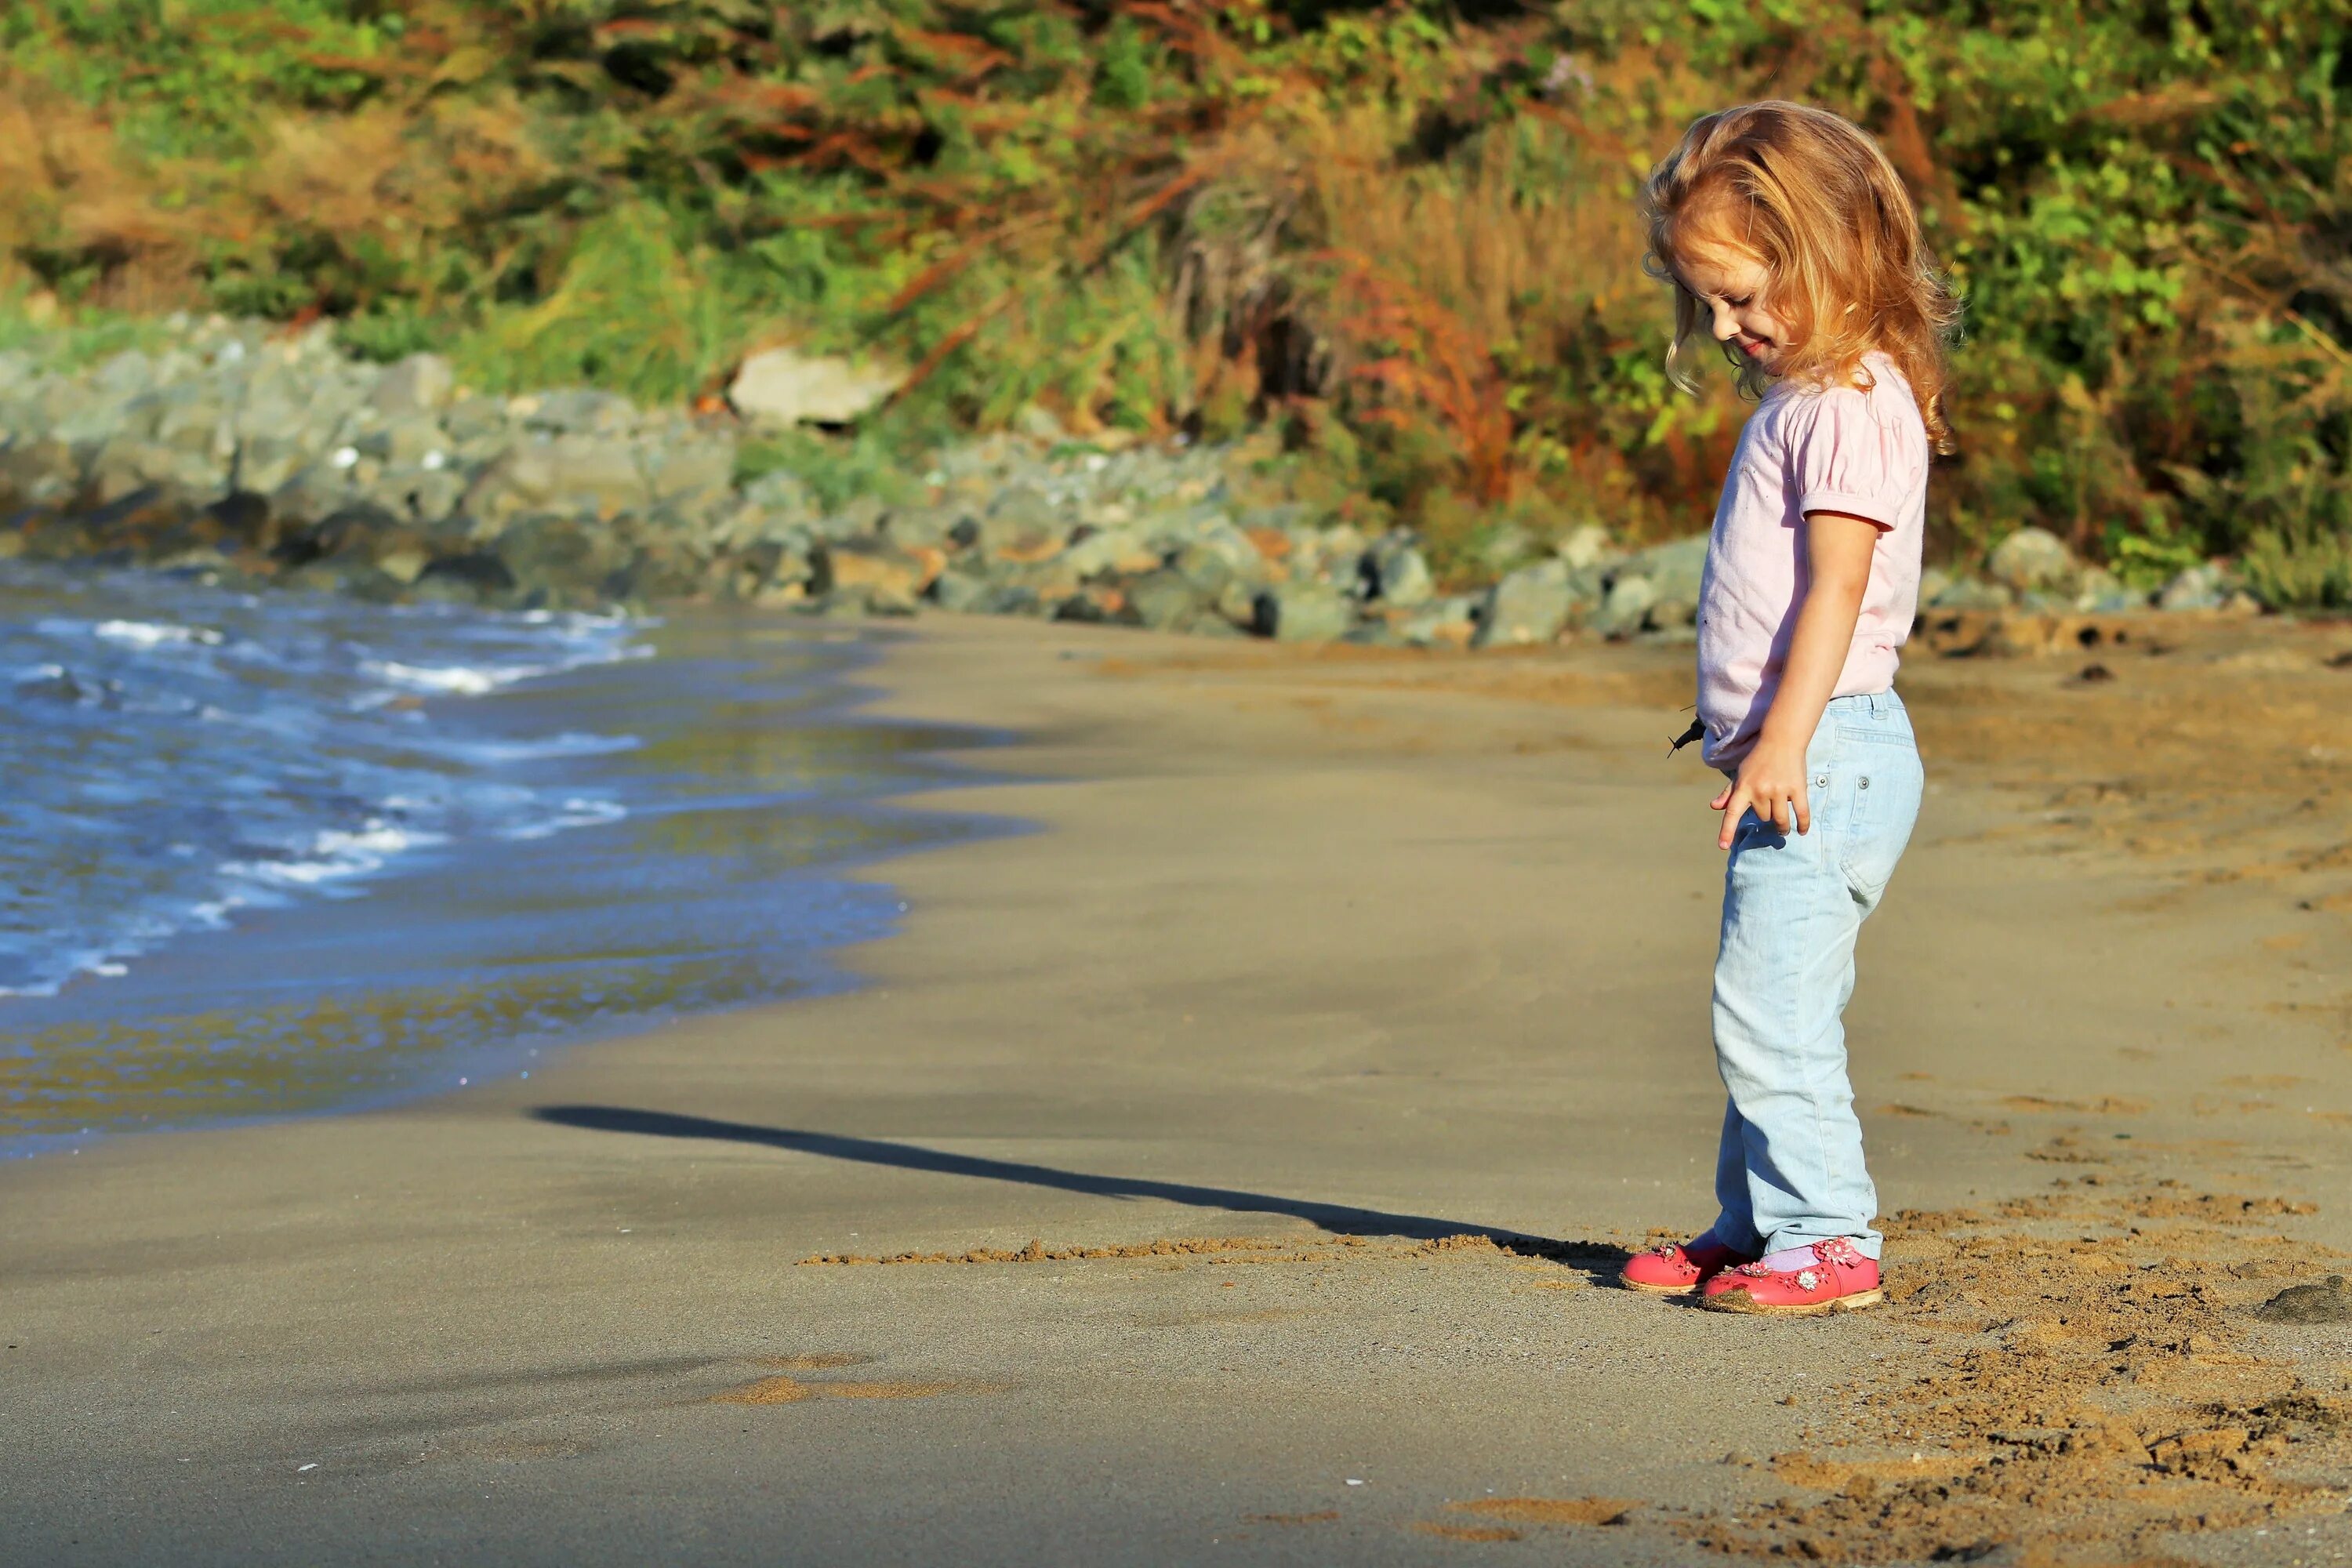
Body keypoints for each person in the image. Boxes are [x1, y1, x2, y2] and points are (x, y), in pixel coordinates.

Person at [1615, 101, 1960, 1315]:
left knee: (1768, 1010)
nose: (1727, 325)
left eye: (1745, 294)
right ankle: (1756, 1221)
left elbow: (1838, 589)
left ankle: (1829, 1239)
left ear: (1833, 253)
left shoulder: (1851, 402)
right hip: (1812, 751)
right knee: (1770, 1002)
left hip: (1830, 751)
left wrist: (1784, 740)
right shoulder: (1817, 396)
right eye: (1708, 302)